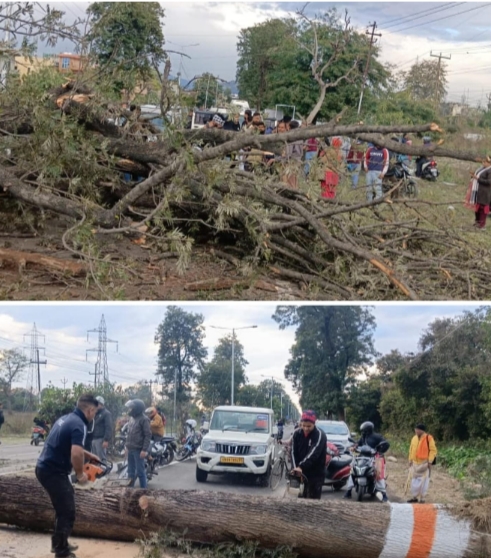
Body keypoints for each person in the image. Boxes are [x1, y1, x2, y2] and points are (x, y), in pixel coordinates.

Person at [35, 394, 100, 558]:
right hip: (53, 471)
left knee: (62, 508)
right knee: (67, 510)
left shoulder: (67, 418)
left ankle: (59, 543)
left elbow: (71, 445)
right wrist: (80, 475)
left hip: (45, 468)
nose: (94, 416)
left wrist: (89, 455)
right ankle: (61, 552)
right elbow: (75, 453)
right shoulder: (80, 425)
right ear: (90, 410)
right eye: (95, 412)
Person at [344, 421, 390, 502]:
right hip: (362, 457)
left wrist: (380, 451)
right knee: (353, 470)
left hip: (375, 457)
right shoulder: (364, 436)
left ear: (368, 429)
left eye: (364, 430)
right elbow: (358, 443)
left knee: (378, 474)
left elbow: (386, 444)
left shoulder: (377, 437)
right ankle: (348, 491)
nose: (363, 432)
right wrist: (354, 447)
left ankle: (384, 494)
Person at [290, 410, 327, 500]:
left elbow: (314, 453)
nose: (306, 428)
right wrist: (296, 469)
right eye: (303, 425)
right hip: (300, 473)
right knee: (299, 500)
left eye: (309, 426)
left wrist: (301, 466)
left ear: (314, 424)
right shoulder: (297, 434)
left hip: (315, 474)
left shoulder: (319, 435)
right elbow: (293, 452)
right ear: (301, 423)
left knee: (313, 503)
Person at [124, 399, 151, 489]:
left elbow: (148, 435)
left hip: (138, 450)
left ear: (137, 409)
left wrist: (144, 450)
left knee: (140, 472)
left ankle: (144, 491)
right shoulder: (132, 419)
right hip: (131, 449)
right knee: (130, 472)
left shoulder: (144, 419)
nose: (130, 409)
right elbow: (129, 434)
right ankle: (129, 490)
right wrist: (126, 446)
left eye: (131, 408)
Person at [408, 423, 438, 503]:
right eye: (415, 429)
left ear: (421, 430)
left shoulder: (429, 438)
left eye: (417, 429)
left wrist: (430, 461)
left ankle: (422, 498)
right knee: (414, 480)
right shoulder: (414, 438)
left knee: (423, 481)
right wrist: (410, 460)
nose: (416, 431)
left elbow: (433, 450)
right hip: (414, 463)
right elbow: (411, 449)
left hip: (424, 463)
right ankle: (414, 497)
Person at [465, 156, 491, 229]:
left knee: (483, 209)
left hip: (485, 192)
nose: (483, 163)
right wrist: (473, 176)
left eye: (485, 162)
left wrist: (478, 178)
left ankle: (482, 224)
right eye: (483, 162)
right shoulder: (482, 169)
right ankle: (477, 222)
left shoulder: (490, 171)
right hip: (477, 191)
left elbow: (489, 182)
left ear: (489, 163)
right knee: (477, 208)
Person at [91, 396, 113, 464]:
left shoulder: (106, 414)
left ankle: (103, 473)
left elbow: (108, 427)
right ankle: (96, 473)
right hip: (93, 439)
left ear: (101, 404)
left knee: (101, 459)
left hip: (101, 439)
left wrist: (106, 440)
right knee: (94, 459)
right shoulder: (95, 414)